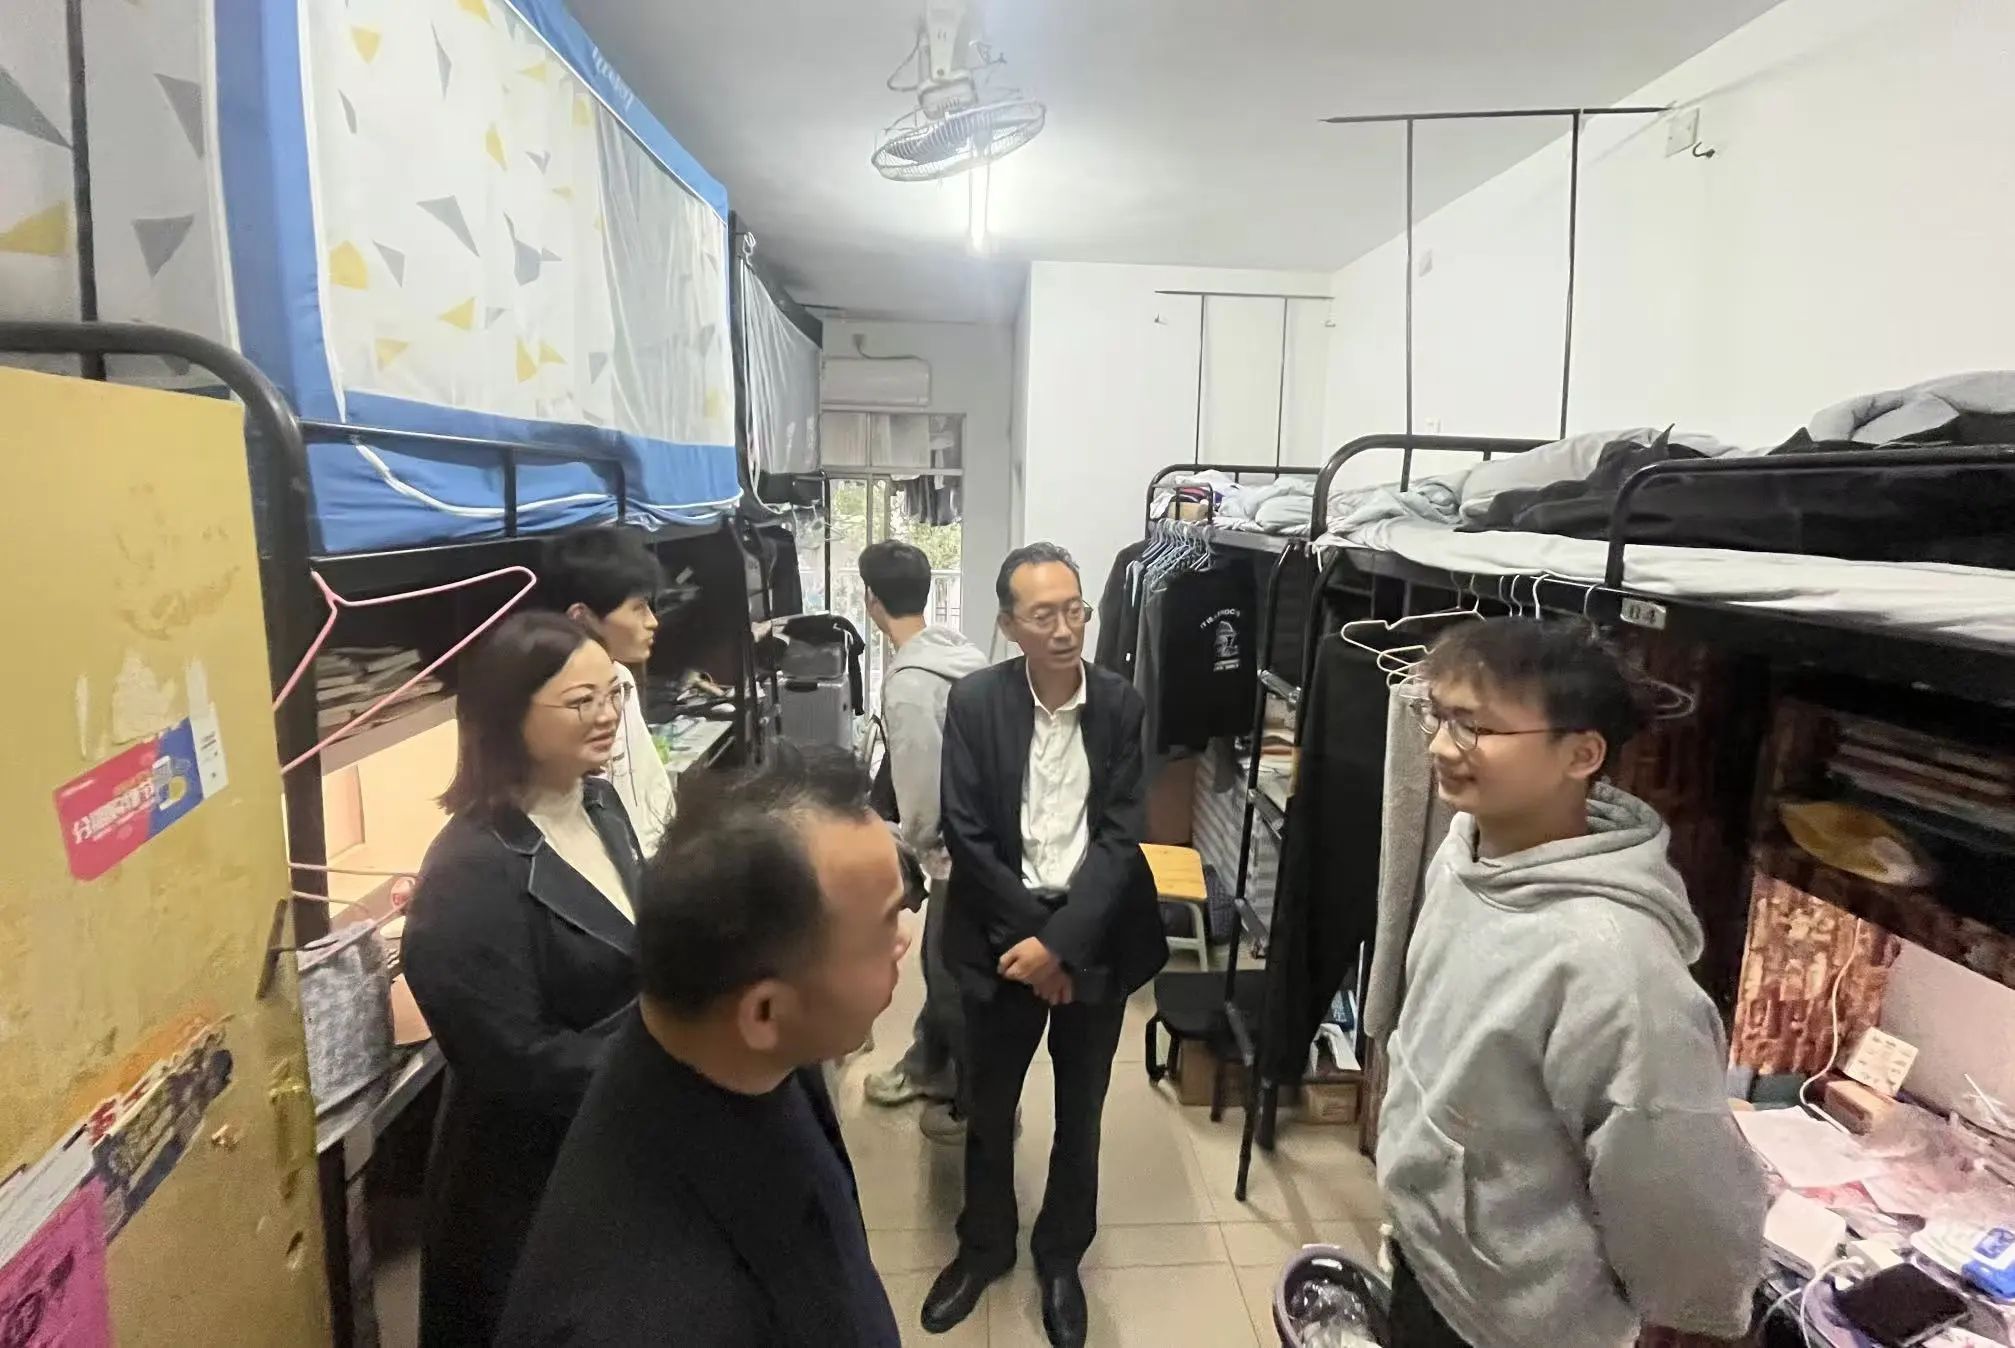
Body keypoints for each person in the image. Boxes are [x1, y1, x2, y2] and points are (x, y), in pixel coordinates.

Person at [1379, 618, 1764, 1348]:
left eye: (1474, 727)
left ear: (1581, 754)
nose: (1439, 747)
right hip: (1431, 1259)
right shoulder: (1465, 852)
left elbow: (1673, 1174)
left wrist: (1692, 1312)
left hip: (1521, 1323)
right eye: (1439, 716)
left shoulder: (1614, 963)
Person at [495, 745, 908, 1348]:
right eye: (886, 925)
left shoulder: (757, 1060)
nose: (903, 942)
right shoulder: (638, 1314)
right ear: (764, 1011)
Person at [921, 542, 1168, 1348]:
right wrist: (1032, 943)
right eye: (1043, 615)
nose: (1064, 630)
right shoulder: (975, 702)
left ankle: (1060, 1257)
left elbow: (1122, 835)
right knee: (988, 1108)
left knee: (1080, 1112)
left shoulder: (1121, 705)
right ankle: (984, 1247)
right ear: (1008, 626)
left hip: (1093, 934)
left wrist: (1061, 947)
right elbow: (965, 831)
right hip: (1000, 937)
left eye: (1074, 610)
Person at [400, 611, 644, 1348]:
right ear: (508, 713)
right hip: (528, 1185)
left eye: (613, 693)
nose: (607, 715)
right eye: (580, 702)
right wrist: (674, 1053)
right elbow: (515, 1064)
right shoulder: (469, 874)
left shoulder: (598, 802)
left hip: (614, 1146)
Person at [855, 540, 988, 1141]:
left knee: (950, 972)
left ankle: (978, 1104)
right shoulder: (961, 652)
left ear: (871, 600)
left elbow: (922, 790)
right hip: (986, 833)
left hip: (959, 849)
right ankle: (929, 1063)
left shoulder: (910, 683)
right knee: (944, 966)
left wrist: (913, 849)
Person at [540, 526, 674, 851]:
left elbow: (651, 788)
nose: (653, 621)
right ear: (581, 617)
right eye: (638, 608)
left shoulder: (621, 678)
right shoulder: (551, 706)